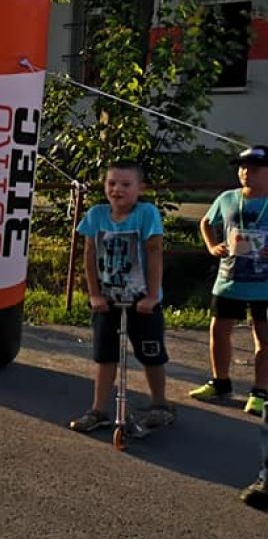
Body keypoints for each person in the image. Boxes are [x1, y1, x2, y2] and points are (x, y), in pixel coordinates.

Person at [68, 162, 174, 434]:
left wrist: (152, 295)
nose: (117, 190)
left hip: (142, 298)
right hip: (108, 298)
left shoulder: (146, 214)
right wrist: (94, 293)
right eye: (111, 183)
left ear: (140, 188)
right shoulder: (96, 215)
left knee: (151, 354)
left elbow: (154, 253)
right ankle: (99, 410)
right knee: (105, 356)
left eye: (126, 184)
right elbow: (89, 255)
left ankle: (160, 404)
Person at [192, 145, 268, 417]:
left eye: (255, 169)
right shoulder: (227, 198)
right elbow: (206, 222)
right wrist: (212, 246)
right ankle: (220, 382)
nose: (246, 173)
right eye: (243, 168)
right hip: (229, 279)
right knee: (219, 331)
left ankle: (260, 392)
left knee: (263, 337)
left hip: (264, 285)